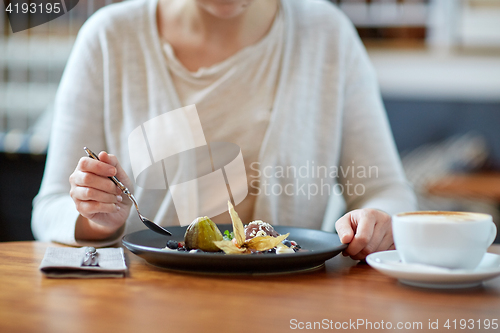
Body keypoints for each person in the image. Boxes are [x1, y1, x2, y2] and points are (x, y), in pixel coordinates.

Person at [32, 0, 417, 260]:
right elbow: (49, 209)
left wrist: (379, 220)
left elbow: (385, 189)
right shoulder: (108, 38)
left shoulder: (327, 34)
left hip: (293, 302)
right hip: (145, 304)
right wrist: (96, 217)